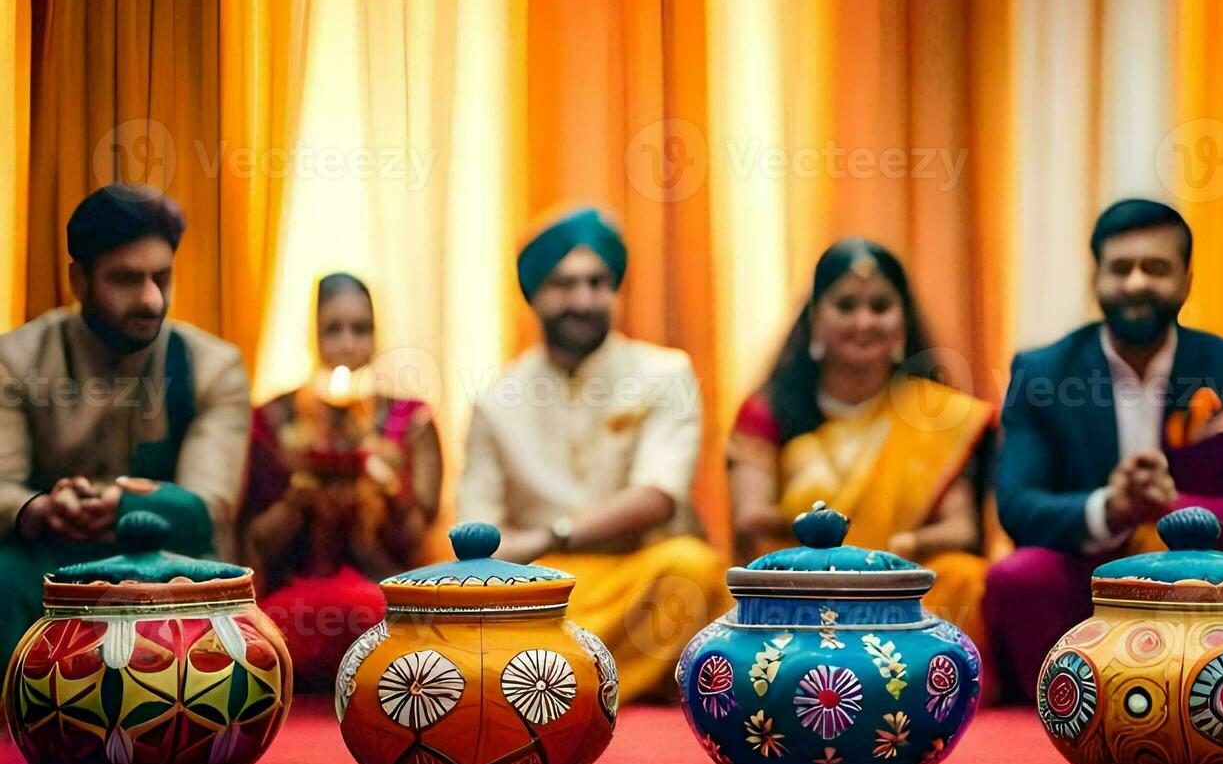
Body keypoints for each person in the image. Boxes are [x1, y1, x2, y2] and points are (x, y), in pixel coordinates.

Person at [986, 198, 1223, 703]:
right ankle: (1058, 715)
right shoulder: (1043, 372)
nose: (1136, 283)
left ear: (1186, 279)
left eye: (1156, 268)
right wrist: (1110, 508)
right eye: (1121, 268)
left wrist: (1170, 508)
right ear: (1097, 278)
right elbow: (1017, 505)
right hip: (1088, 579)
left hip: (1207, 585)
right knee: (1019, 576)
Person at [458, 206, 730, 702]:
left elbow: (658, 496)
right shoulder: (497, 399)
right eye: (563, 284)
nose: (582, 299)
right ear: (534, 294)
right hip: (545, 590)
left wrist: (550, 534)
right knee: (477, 602)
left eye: (597, 282)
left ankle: (550, 684)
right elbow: (477, 532)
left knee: (692, 570)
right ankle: (581, 679)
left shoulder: (664, 373)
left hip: (640, 575)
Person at [0, 183, 251, 662]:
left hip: (171, 574)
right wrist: (40, 509)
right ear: (79, 281)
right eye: (126, 279)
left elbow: (208, 508)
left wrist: (126, 503)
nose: (151, 300)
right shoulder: (14, 360)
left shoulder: (212, 366)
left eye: (162, 277)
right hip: (47, 570)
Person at [727, 237, 995, 651]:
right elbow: (750, 520)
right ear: (815, 319)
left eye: (881, 306)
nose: (864, 322)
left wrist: (899, 547)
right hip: (801, 586)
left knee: (964, 577)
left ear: (902, 322)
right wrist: (816, 522)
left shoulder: (933, 413)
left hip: (897, 588)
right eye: (846, 305)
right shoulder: (769, 409)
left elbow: (961, 528)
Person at [240, 273, 442, 689]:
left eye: (361, 329)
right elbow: (253, 543)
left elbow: (419, 545)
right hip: (294, 601)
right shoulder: (275, 418)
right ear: (313, 336)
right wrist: (302, 493)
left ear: (376, 334)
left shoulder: (409, 419)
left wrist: (383, 484)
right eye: (333, 329)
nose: (348, 344)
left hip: (386, 601)